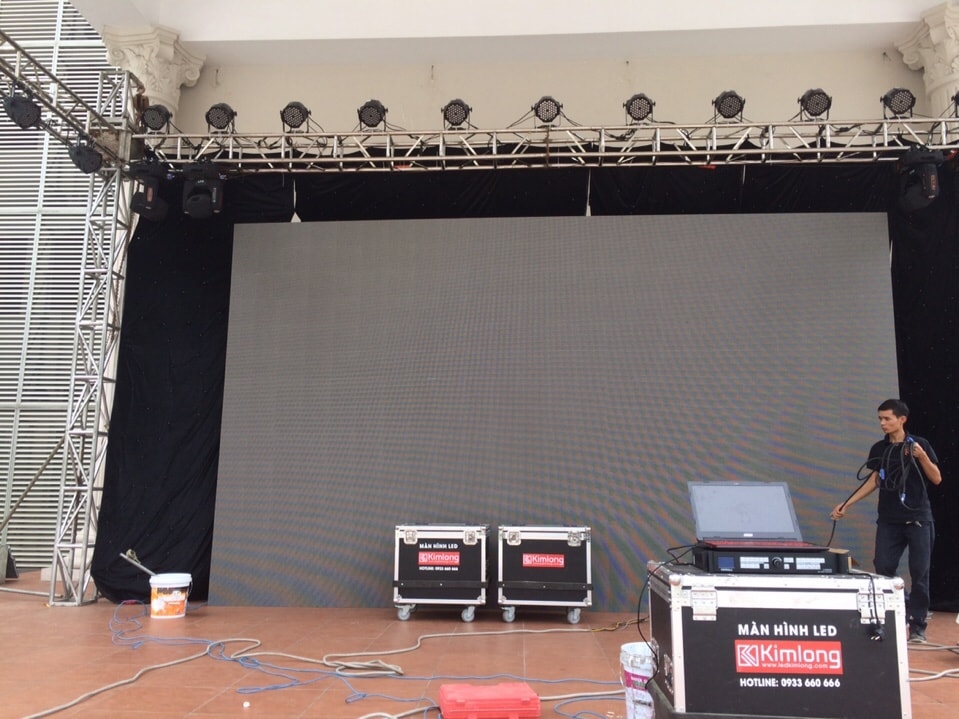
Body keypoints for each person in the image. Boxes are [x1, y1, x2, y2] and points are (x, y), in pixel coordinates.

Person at [830, 398, 941, 643]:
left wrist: (922, 457)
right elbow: (874, 480)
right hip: (890, 520)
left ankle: (918, 626)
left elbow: (936, 478)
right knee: (883, 566)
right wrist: (847, 504)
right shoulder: (879, 449)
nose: (882, 423)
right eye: (880, 419)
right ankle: (905, 606)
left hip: (918, 518)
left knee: (919, 573)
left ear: (902, 419)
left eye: (887, 418)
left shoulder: (920, 444)